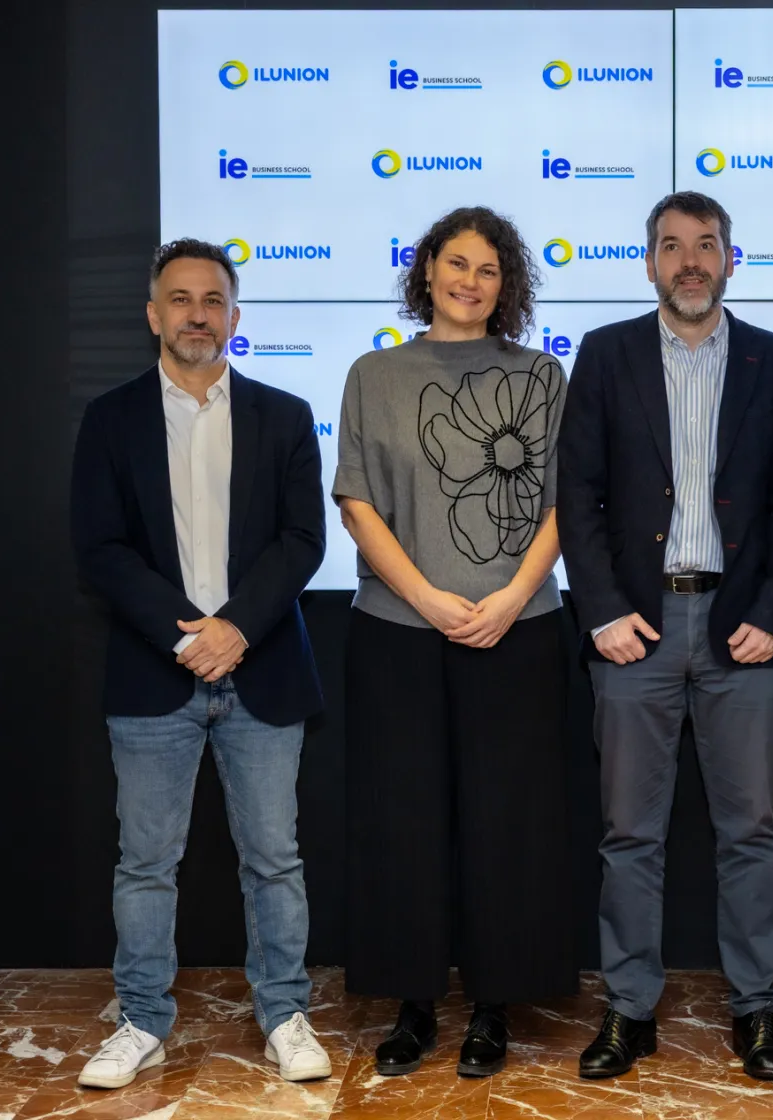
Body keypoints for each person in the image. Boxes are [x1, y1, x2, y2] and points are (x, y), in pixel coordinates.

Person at [556, 191, 773, 1083]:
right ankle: (629, 1011)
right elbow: (577, 496)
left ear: (731, 260)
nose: (690, 261)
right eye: (672, 247)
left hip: (745, 629)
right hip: (636, 627)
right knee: (630, 833)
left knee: (752, 832)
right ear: (651, 262)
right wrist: (598, 608)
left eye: (706, 246)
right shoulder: (604, 354)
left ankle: (756, 1010)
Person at [70, 239, 330, 1088]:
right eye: (178, 300)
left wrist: (234, 632)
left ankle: (285, 1013)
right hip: (154, 676)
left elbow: (302, 543)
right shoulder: (110, 419)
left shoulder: (285, 416)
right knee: (146, 862)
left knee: (274, 859)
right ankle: (141, 1019)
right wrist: (188, 636)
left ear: (234, 317)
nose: (195, 315)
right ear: (153, 315)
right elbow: (100, 550)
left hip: (262, 671)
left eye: (211, 300)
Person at [335, 207, 573, 1079]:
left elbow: (561, 504)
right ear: (426, 271)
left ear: (506, 286)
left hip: (519, 629)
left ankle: (492, 1006)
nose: (471, 282)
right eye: (457, 264)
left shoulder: (543, 375)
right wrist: (430, 598)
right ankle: (411, 1003)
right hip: (400, 631)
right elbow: (356, 500)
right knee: (405, 821)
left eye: (489, 270)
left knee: (505, 823)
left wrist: (510, 596)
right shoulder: (374, 373)